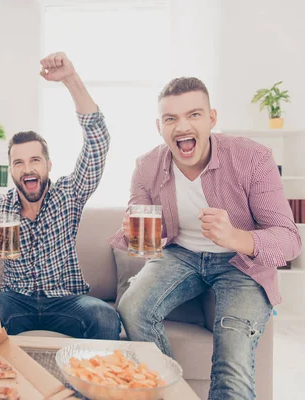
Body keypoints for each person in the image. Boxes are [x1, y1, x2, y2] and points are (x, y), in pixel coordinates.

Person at [109, 77, 302, 399]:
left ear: (212, 118)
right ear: (160, 126)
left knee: (232, 353)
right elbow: (141, 228)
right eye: (171, 118)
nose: (182, 126)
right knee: (132, 307)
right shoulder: (147, 166)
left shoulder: (253, 158)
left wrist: (237, 237)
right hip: (179, 255)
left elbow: (289, 239)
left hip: (241, 264)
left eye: (193, 115)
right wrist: (134, 234)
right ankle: (169, 393)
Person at [0, 52, 121, 340]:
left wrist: (71, 80)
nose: (28, 168)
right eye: (19, 162)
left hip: (67, 301)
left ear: (48, 166)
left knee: (104, 316)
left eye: (35, 160)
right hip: (16, 299)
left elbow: (98, 143)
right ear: (11, 170)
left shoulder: (69, 195)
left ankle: (90, 386)